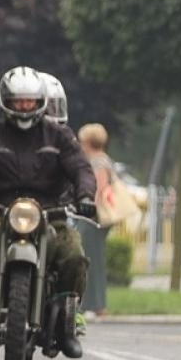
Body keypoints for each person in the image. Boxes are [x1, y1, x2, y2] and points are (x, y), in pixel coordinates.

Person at [0, 66, 97, 358]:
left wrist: (86, 195)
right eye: (19, 101)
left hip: (50, 212)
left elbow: (81, 168)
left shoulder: (59, 137)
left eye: (29, 101)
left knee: (74, 255)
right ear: (6, 102)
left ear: (40, 102)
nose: (24, 107)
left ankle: (67, 320)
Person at [76, 122, 116, 317]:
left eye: (82, 141)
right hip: (95, 217)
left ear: (89, 142)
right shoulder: (102, 159)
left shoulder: (98, 161)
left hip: (93, 217)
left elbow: (99, 188)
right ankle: (95, 304)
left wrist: (89, 204)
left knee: (89, 259)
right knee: (94, 258)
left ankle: (94, 304)